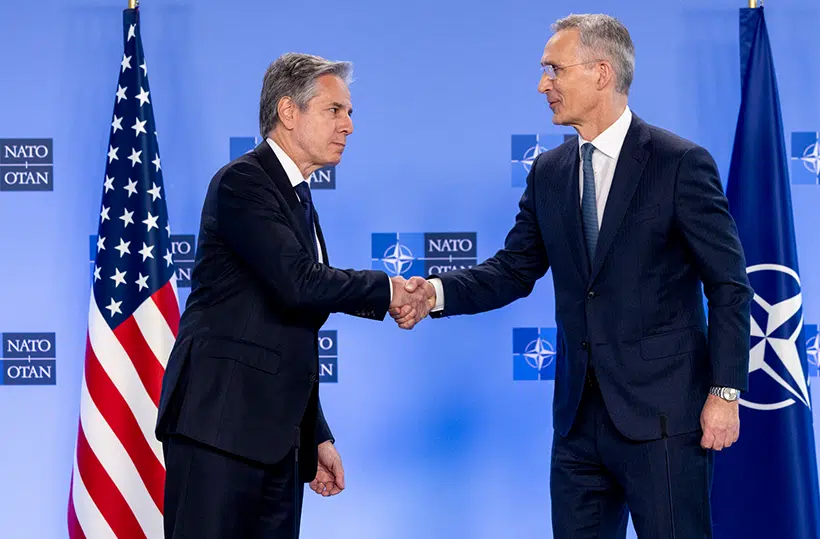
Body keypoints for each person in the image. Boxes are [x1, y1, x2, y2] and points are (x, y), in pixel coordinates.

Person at [394, 13, 753, 539]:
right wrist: (434, 294)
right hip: (577, 426)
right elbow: (513, 269)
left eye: (554, 70)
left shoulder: (679, 163)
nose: (543, 85)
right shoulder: (549, 172)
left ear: (601, 72)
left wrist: (725, 391)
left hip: (664, 422)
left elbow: (728, 285)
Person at [155, 53, 431, 539]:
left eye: (349, 113)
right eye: (334, 110)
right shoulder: (243, 182)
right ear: (288, 111)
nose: (348, 125)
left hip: (277, 442)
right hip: (219, 430)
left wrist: (314, 434)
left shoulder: (298, 197)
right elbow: (298, 283)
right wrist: (387, 289)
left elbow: (286, 328)